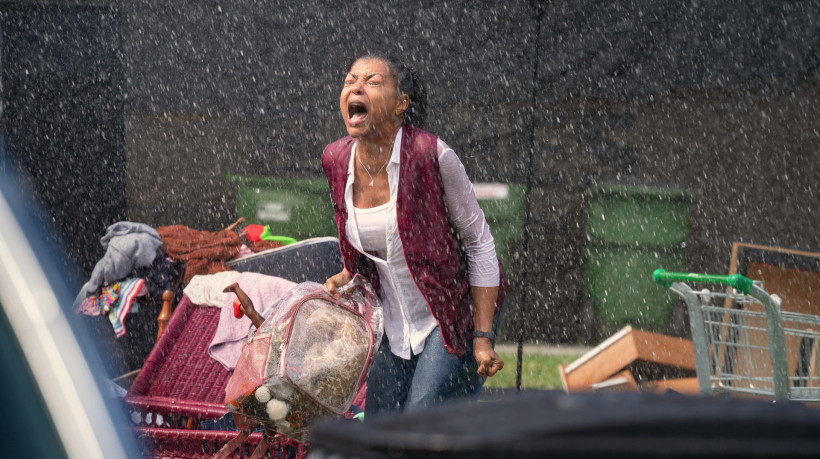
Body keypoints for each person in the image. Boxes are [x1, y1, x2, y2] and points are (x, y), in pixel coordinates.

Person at [321, 54, 508, 419]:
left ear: (400, 104)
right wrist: (350, 273)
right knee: (380, 428)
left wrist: (482, 337)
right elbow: (373, 243)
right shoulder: (335, 160)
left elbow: (480, 243)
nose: (356, 88)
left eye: (373, 82)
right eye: (350, 80)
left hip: (450, 314)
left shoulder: (430, 154)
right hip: (393, 325)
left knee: (422, 421)